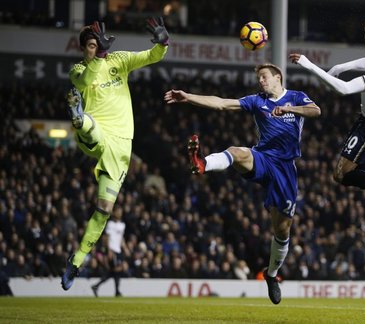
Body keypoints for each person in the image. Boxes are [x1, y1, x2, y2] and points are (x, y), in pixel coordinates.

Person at [164, 63, 321, 304]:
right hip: (263, 158)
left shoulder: (296, 97)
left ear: (278, 77)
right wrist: (188, 97)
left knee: (282, 229)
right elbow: (222, 103)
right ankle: (202, 163)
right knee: (237, 152)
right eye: (259, 78)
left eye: (264, 77)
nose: (261, 81)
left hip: (286, 169)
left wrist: (292, 109)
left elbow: (315, 111)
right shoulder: (257, 101)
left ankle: (271, 274)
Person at [61, 17, 170, 290]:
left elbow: (152, 56)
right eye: (89, 45)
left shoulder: (119, 61)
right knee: (88, 127)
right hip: (98, 133)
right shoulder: (78, 70)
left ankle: (76, 260)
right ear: (83, 49)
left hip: (122, 146)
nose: (93, 49)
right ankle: (78, 119)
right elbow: (85, 79)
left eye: (96, 44)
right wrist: (98, 56)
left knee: (104, 210)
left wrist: (163, 41)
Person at [289, 16, 365, 193]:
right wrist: (341, 67)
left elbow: (345, 89)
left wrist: (309, 65)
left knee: (341, 174)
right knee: (356, 162)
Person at [91, 207, 127, 297]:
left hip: (118, 250)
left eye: (120, 211)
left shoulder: (122, 225)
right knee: (117, 270)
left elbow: (121, 238)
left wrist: (125, 248)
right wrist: (109, 250)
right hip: (112, 250)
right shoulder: (110, 224)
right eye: (118, 211)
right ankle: (117, 291)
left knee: (115, 271)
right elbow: (106, 237)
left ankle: (97, 286)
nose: (119, 213)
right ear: (114, 212)